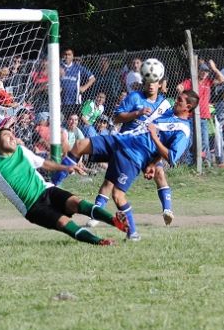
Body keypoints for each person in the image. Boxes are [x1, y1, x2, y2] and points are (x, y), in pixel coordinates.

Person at [51, 90, 199, 241]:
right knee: (79, 145)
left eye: (180, 100)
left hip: (133, 155)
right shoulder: (168, 112)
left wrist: (154, 138)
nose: (176, 101)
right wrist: (153, 163)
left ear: (188, 107)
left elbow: (172, 157)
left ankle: (133, 234)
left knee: (118, 195)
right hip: (121, 139)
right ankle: (51, 188)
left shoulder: (183, 130)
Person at [0, 127, 127, 246]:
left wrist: (66, 168)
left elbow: (44, 163)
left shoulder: (21, 151)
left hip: (48, 190)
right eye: (7, 135)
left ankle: (115, 221)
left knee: (76, 202)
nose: (12, 137)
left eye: (12, 134)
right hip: (32, 207)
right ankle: (99, 242)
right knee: (63, 222)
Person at [66, 76, 177, 228]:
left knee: (159, 173)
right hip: (126, 145)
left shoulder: (164, 105)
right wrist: (137, 113)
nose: (151, 86)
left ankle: (167, 210)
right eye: (148, 82)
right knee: (110, 180)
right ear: (143, 83)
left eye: (155, 82)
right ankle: (96, 213)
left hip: (148, 148)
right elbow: (117, 118)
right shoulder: (135, 97)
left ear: (160, 84)